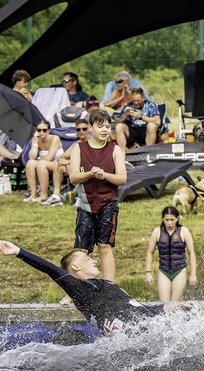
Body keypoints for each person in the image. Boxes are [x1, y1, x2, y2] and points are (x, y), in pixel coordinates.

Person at [0, 240, 192, 334]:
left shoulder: (107, 284)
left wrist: (171, 307)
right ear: (75, 268)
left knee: (189, 318)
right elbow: (51, 270)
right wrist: (19, 252)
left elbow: (139, 308)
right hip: (131, 334)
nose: (93, 260)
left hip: (148, 323)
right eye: (87, 258)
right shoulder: (81, 289)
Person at [65, 109, 127, 305]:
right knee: (80, 250)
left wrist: (105, 175)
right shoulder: (79, 148)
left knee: (104, 246)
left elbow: (122, 178)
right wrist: (91, 173)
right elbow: (74, 176)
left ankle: (110, 289)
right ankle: (72, 292)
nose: (105, 129)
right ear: (90, 128)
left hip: (108, 204)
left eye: (108, 126)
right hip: (85, 205)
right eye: (100, 126)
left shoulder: (115, 149)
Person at [145, 206, 198, 302]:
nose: (169, 223)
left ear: (177, 219)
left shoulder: (184, 231)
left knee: (174, 304)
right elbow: (150, 252)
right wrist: (148, 272)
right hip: (164, 271)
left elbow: (191, 253)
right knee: (165, 305)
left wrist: (193, 274)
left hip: (179, 270)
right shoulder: (157, 232)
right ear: (162, 219)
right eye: (167, 220)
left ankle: (185, 309)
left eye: (172, 220)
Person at [24, 120, 64, 204]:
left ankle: (43, 195)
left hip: (57, 164)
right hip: (43, 164)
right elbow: (32, 157)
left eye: (44, 130)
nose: (41, 132)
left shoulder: (55, 138)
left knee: (41, 164)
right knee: (30, 163)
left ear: (49, 130)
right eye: (39, 130)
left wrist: (38, 160)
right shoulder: (36, 139)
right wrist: (35, 143)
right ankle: (33, 194)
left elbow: (49, 157)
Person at [54, 119, 89, 194]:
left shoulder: (93, 141)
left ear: (89, 129)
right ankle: (56, 195)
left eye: (84, 129)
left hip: (90, 170)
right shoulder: (77, 143)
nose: (81, 131)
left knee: (67, 166)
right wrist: (63, 163)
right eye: (78, 129)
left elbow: (90, 161)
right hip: (77, 169)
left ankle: (79, 193)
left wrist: (68, 162)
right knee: (59, 166)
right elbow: (61, 157)